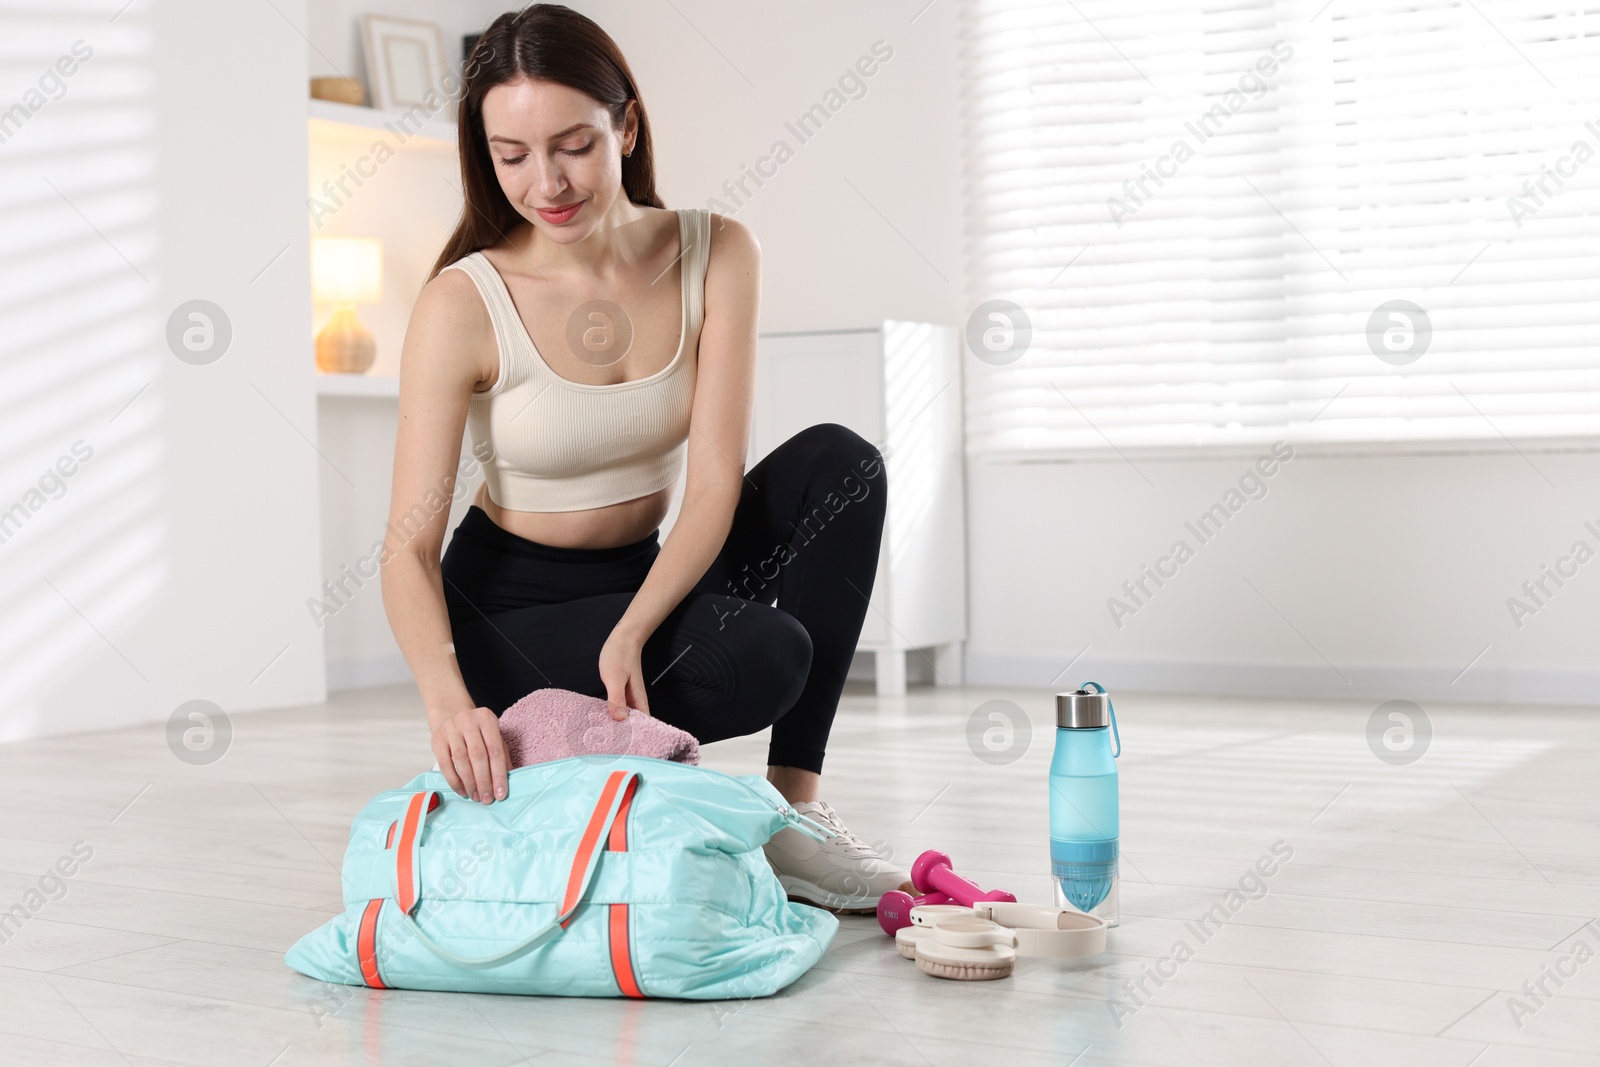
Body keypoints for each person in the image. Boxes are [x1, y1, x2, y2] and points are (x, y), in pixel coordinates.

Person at [378, 5, 907, 911]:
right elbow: (406, 550)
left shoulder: (716, 253)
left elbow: (710, 488)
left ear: (626, 124)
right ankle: (555, 736)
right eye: (512, 156)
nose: (546, 182)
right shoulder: (463, 303)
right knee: (764, 657)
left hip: (649, 573)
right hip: (511, 607)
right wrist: (444, 702)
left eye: (573, 144)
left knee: (841, 464)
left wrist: (632, 626)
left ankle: (793, 815)